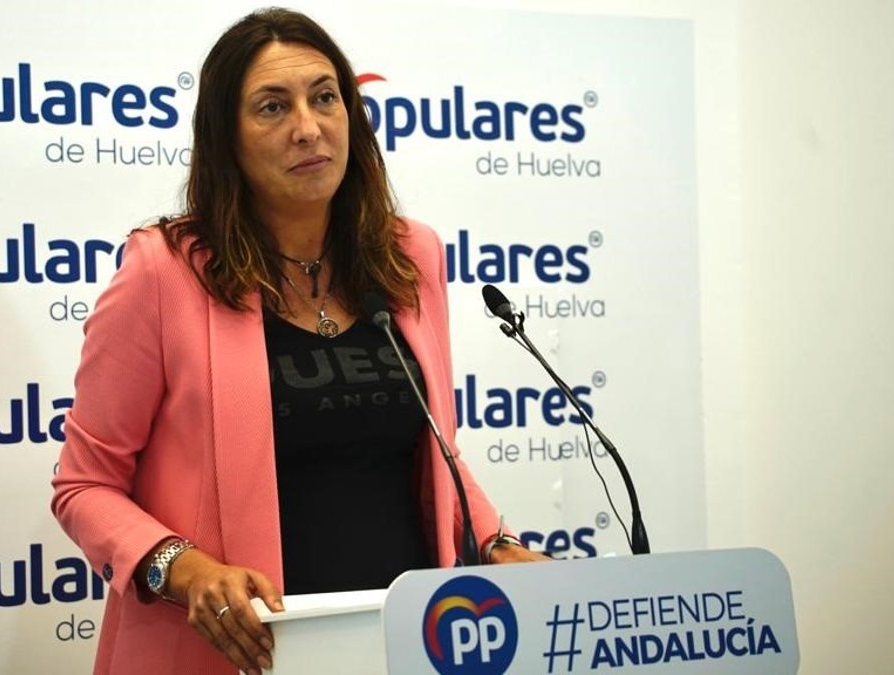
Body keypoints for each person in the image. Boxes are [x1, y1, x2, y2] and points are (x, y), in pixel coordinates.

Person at [51, 8, 546, 675]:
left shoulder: (410, 256)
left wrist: (495, 543)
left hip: (402, 640)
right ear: (226, 138)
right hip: (233, 651)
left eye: (324, 98)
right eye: (273, 107)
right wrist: (186, 569)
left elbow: (438, 453)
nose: (308, 128)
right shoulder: (164, 271)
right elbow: (84, 485)